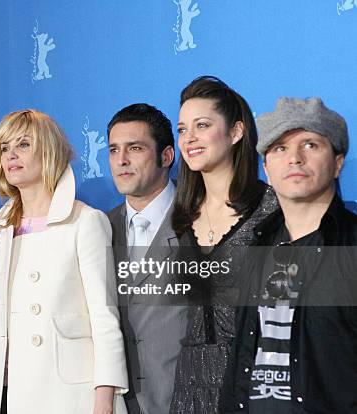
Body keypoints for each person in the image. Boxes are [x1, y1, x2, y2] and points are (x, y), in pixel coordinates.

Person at [0, 109, 129, 414]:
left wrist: (105, 397)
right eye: (5, 148)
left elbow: (103, 315)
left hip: (66, 394)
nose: (11, 156)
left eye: (23, 145)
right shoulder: (3, 226)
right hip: (4, 390)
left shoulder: (85, 221)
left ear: (49, 150)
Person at [221, 97, 357, 413]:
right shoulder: (256, 245)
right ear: (266, 169)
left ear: (338, 163)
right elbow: (241, 354)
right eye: (279, 148)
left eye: (310, 145)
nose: (294, 158)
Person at [169, 77, 278, 414]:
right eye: (183, 128)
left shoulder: (273, 208)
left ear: (235, 132)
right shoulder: (181, 217)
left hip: (254, 383)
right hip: (189, 388)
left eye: (202, 125)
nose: (190, 138)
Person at [106, 103, 188, 414]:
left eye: (135, 148)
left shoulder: (200, 220)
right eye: (113, 150)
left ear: (166, 156)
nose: (121, 161)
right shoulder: (99, 228)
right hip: (118, 403)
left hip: (187, 401)